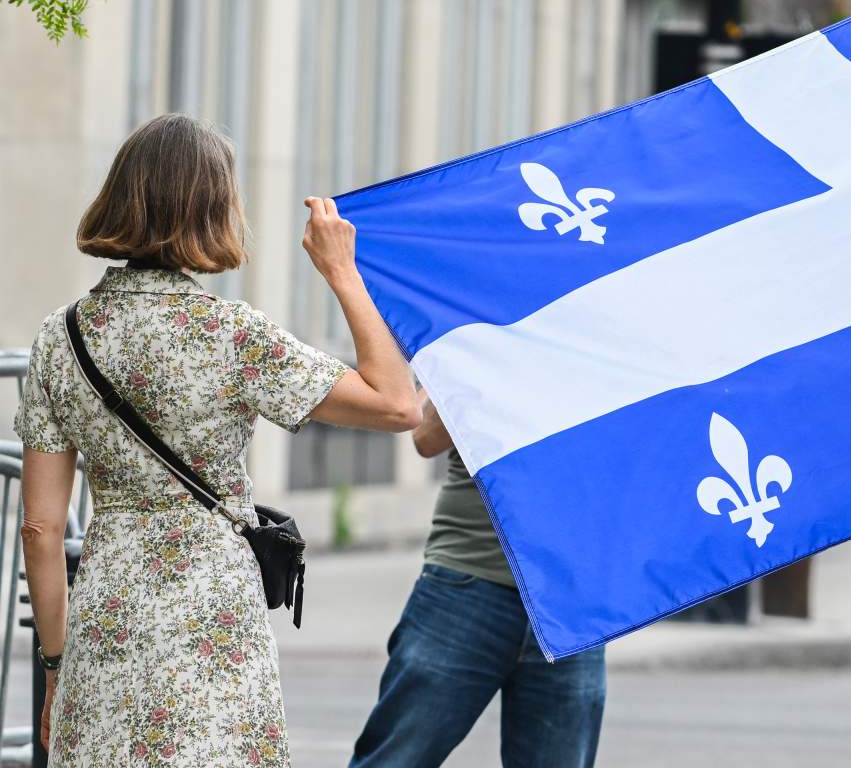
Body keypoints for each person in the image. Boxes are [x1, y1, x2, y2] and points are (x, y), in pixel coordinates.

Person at [16, 113, 422, 767]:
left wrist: (59, 666)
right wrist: (343, 272)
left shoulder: (60, 339)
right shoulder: (232, 336)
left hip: (105, 618)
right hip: (213, 630)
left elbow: (39, 527)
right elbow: (398, 404)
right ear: (212, 212)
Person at [347, 398, 607, 768]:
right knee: (396, 759)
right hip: (467, 583)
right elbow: (425, 436)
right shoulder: (483, 339)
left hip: (571, 600)